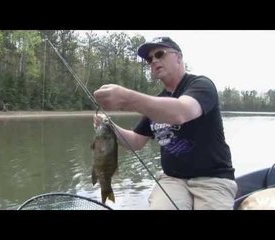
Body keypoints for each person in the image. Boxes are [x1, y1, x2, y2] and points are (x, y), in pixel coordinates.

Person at [93, 36, 238, 210]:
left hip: (213, 179)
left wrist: (126, 98)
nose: (154, 61)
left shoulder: (201, 85)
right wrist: (109, 128)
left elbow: (181, 112)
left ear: (178, 57)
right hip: (172, 180)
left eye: (160, 54)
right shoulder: (158, 103)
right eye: (149, 58)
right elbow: (136, 142)